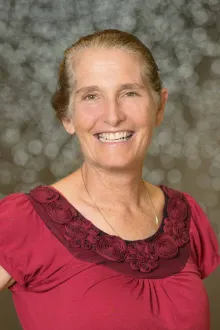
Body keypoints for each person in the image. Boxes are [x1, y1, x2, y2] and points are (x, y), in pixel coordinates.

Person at [0, 29, 219, 330]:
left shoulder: (186, 216)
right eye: (91, 96)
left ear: (159, 107)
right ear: (67, 117)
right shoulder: (22, 221)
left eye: (130, 93)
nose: (113, 116)